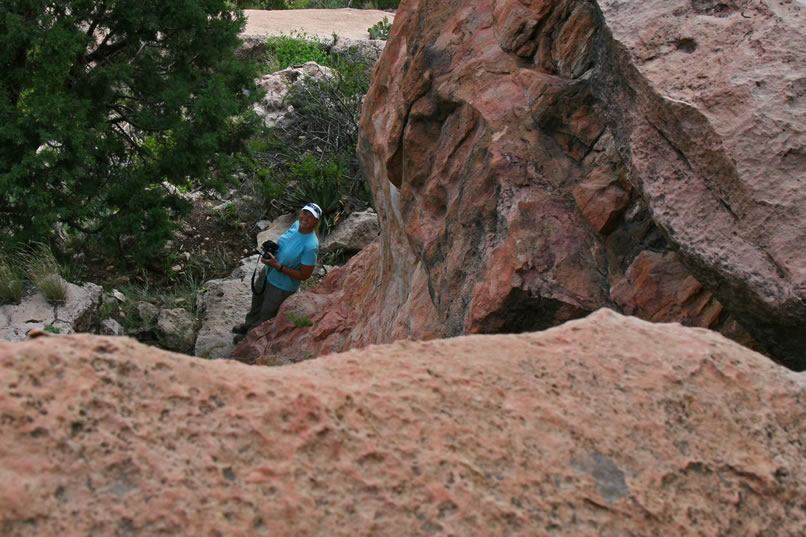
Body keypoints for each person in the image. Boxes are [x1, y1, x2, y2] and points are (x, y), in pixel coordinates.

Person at [232, 202, 321, 343]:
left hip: (281, 286)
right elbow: (286, 246)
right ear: (300, 213)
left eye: (311, 217)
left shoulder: (311, 245)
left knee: (266, 314)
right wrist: (272, 247)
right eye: (305, 213)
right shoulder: (296, 225)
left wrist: (278, 266)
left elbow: (304, 275)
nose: (306, 218)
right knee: (256, 303)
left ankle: (250, 339)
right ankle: (248, 326)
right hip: (268, 273)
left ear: (316, 221)